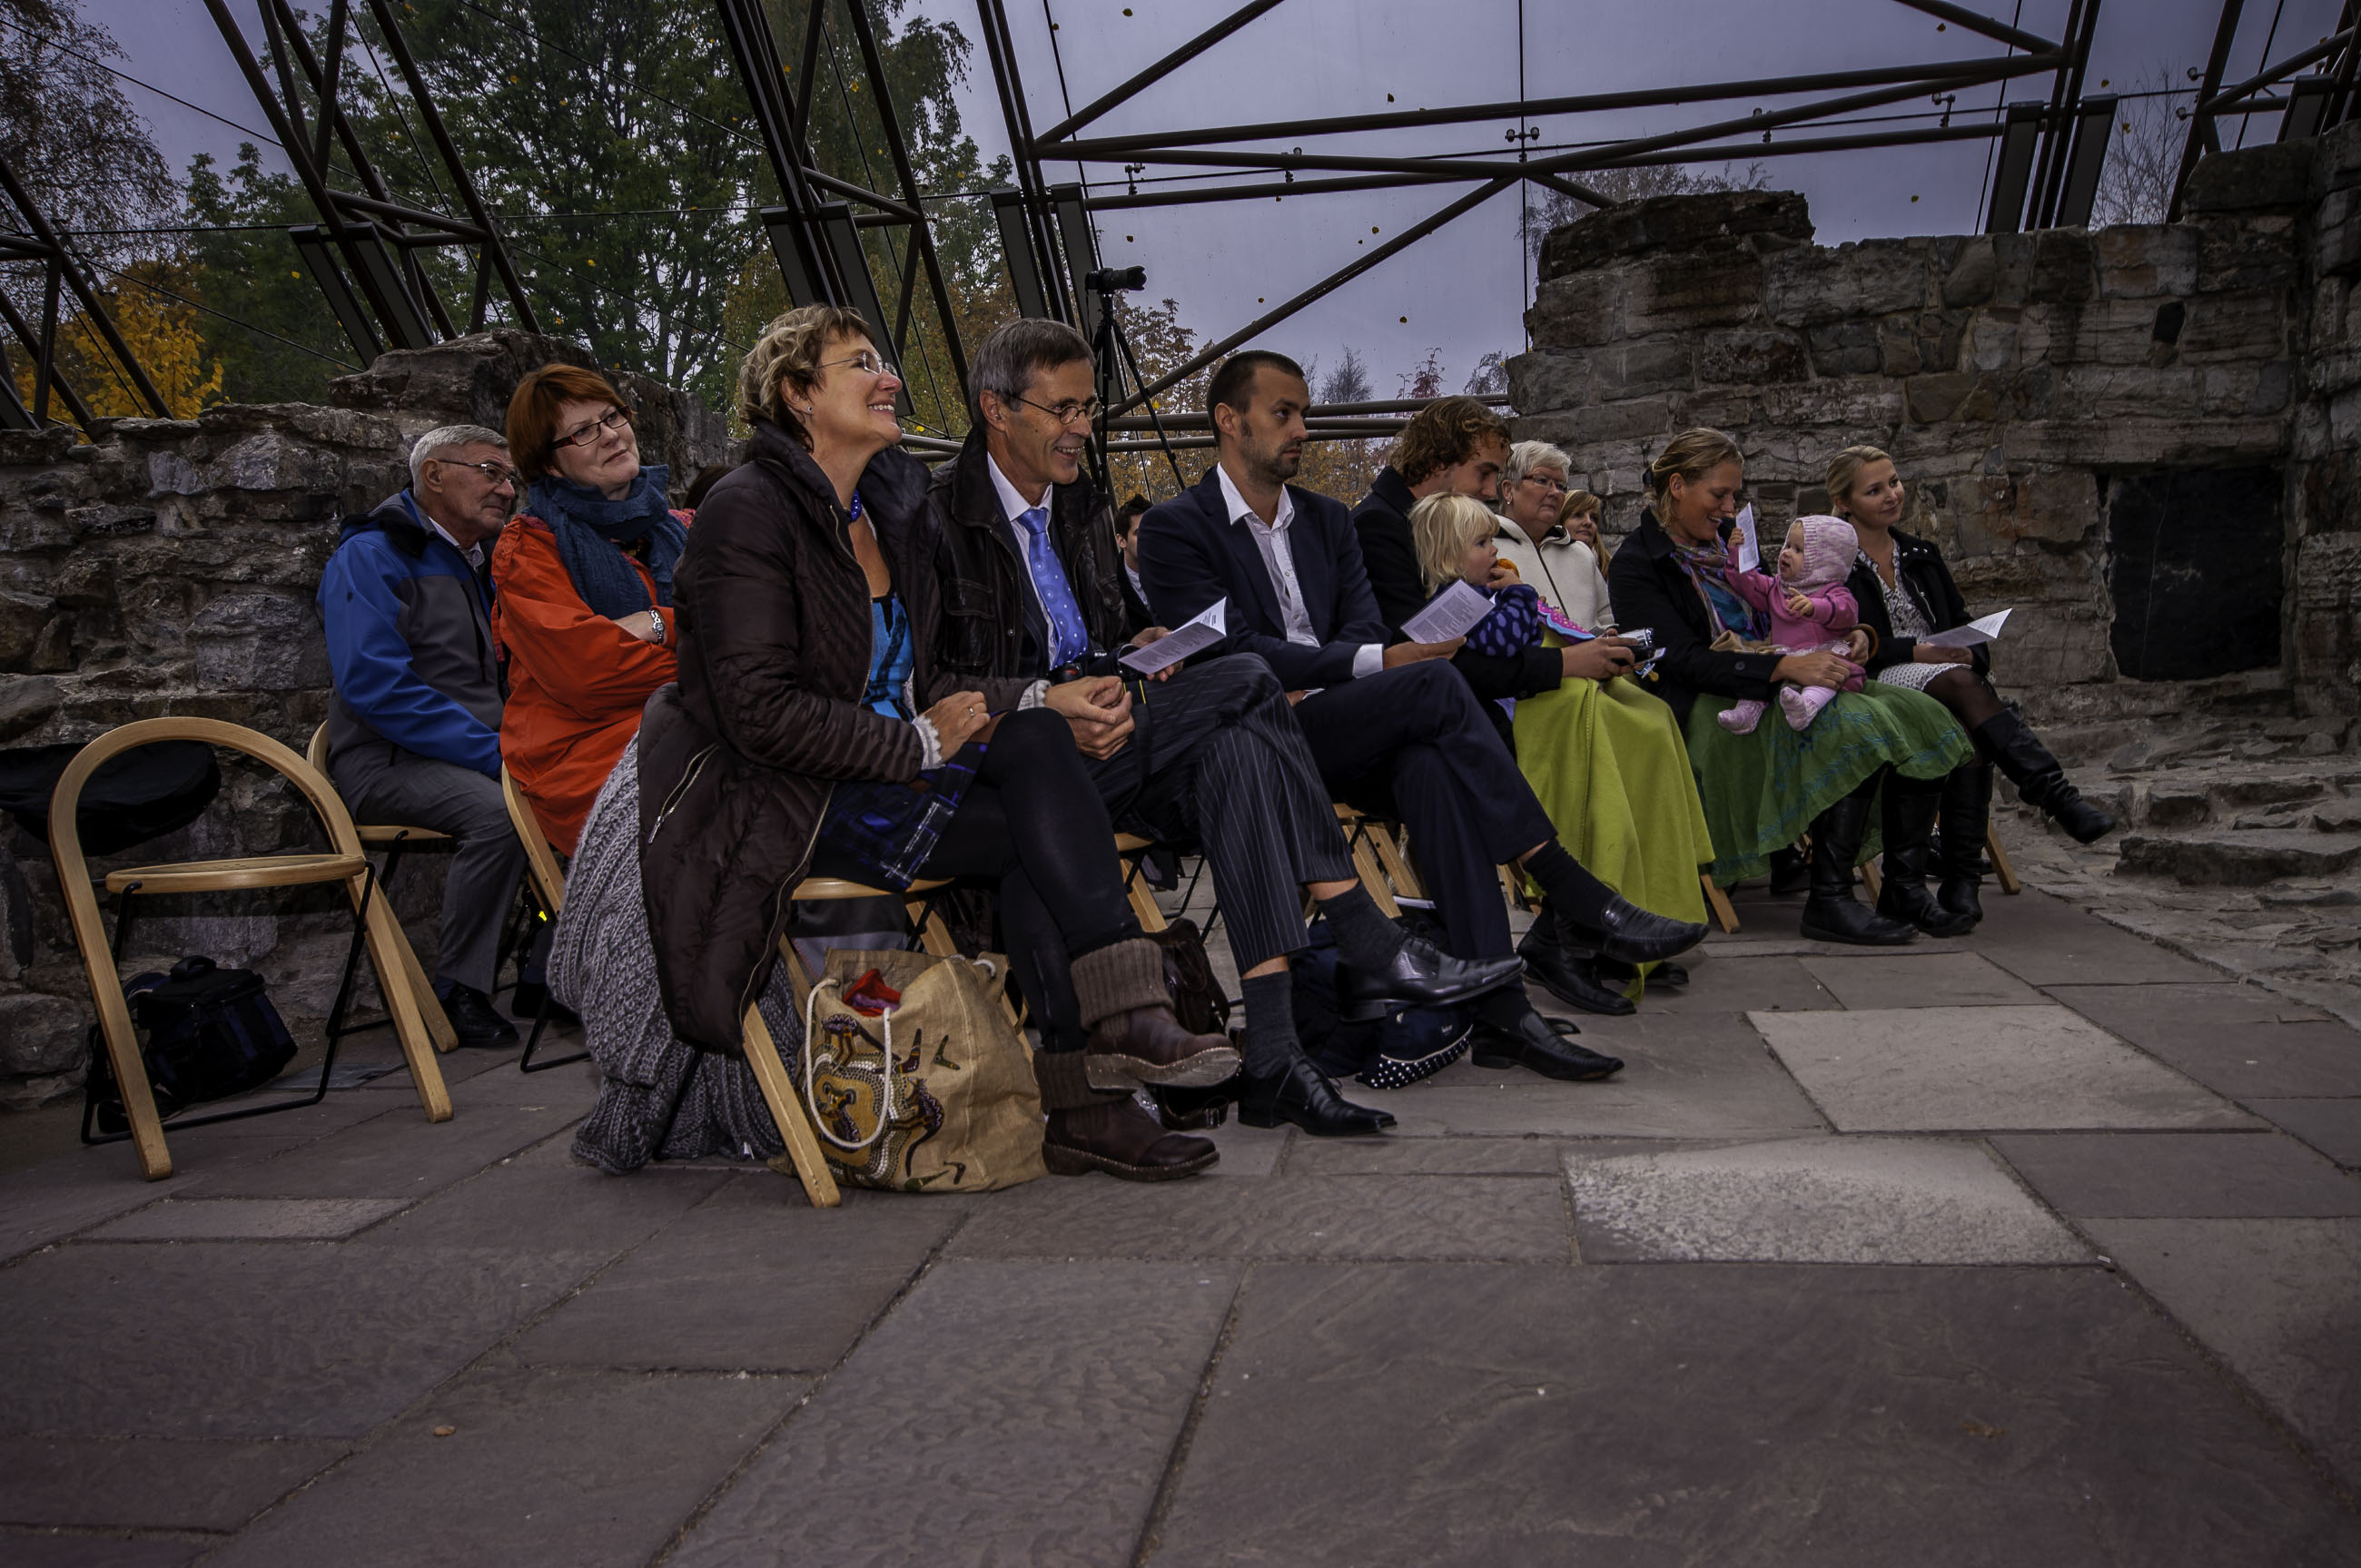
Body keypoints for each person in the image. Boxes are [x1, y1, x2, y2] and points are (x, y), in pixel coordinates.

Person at [635, 305, 1237, 1183]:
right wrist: (916, 742)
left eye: (883, 360)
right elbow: (758, 712)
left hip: (894, 776)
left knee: (1040, 750)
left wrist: (1043, 695)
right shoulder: (747, 511)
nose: (890, 377)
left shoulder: (889, 510)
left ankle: (1105, 1063)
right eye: (859, 364)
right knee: (1043, 807)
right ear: (798, 395)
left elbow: (940, 677)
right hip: (791, 799)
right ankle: (1103, 1068)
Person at [926, 319, 1519, 1132]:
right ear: (997, 409)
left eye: (1087, 408)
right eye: (1063, 409)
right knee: (1246, 677)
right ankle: (1365, 934)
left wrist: (1134, 649)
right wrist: (1042, 698)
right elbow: (931, 686)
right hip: (1021, 763)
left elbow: (1096, 643)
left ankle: (1274, 1058)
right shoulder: (935, 517)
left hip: (1109, 736)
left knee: (1237, 749)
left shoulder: (1079, 507)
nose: (1082, 428)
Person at [1139, 350, 1709, 1080]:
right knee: (1433, 683)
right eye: (1284, 413)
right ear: (1229, 419)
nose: (1303, 428)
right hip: (1256, 743)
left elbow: (1362, 625)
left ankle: (1504, 1010)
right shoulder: (1174, 528)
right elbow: (1235, 652)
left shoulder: (1327, 520)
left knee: (1431, 766)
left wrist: (1345, 667)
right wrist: (1360, 665)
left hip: (1344, 722)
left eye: (1304, 412)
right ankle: (1564, 889)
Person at [1606, 428, 1973, 946]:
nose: (1730, 507)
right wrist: (1781, 669)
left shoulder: (1731, 539)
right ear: (1677, 486)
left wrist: (1858, 635)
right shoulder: (1636, 563)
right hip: (1712, 699)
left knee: (1921, 713)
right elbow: (1679, 660)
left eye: (1734, 494)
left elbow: (1793, 597)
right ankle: (1829, 898)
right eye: (1719, 494)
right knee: (1854, 723)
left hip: (1787, 666)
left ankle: (1904, 887)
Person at [1408, 493, 1716, 1013]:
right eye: (1482, 544)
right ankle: (1569, 933)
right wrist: (1522, 594)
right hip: (1493, 723)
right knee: (1592, 737)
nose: (1494, 551)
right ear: (1447, 555)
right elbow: (1509, 642)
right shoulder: (1458, 602)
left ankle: (1610, 918)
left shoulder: (1490, 588)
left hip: (1517, 699)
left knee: (1647, 720)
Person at [1829, 445, 2116, 929]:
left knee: (1967, 722)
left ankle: (1961, 881)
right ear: (1844, 502)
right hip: (1876, 676)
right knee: (1964, 691)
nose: (1891, 495)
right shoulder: (1834, 562)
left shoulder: (1920, 554)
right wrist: (1920, 653)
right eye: (1874, 490)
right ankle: (2055, 799)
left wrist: (1970, 652)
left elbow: (1961, 621)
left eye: (1894, 482)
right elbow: (1840, 642)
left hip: (1944, 675)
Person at [316, 424, 525, 1048]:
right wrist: (494, 755)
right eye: (490, 471)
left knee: (596, 786)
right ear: (433, 474)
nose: (507, 489)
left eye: (511, 478)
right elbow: (375, 685)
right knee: (501, 816)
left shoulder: (482, 562)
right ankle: (460, 990)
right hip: (386, 761)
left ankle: (548, 972)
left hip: (478, 752)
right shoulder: (372, 555)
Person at [492, 365, 687, 859]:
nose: (611, 435)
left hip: (684, 720)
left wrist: (655, 625)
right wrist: (699, 644)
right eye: (582, 432)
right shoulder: (530, 549)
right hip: (583, 755)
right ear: (550, 464)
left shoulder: (680, 528)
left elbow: (758, 628)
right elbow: (589, 674)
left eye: (613, 416)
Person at [1714, 516, 1866, 735]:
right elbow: (1748, 583)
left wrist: (1815, 607)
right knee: (1761, 670)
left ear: (1825, 562)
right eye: (1787, 545)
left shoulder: (1834, 591)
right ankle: (1746, 714)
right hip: (1786, 660)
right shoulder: (1776, 587)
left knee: (1831, 676)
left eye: (1798, 550)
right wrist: (1737, 553)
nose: (1786, 553)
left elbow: (1847, 612)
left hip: (1822, 658)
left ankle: (1807, 706)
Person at [1495, 441, 1614, 631]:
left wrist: (1608, 635)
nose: (1555, 492)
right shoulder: (1486, 549)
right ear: (1508, 490)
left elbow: (1606, 616)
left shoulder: (1581, 553)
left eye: (1560, 486)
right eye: (1542, 481)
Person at [1113, 493, 1155, 635]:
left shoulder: (1175, 566)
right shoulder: (1110, 586)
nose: (1149, 537)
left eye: (1152, 529)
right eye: (1139, 532)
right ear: (1121, 541)